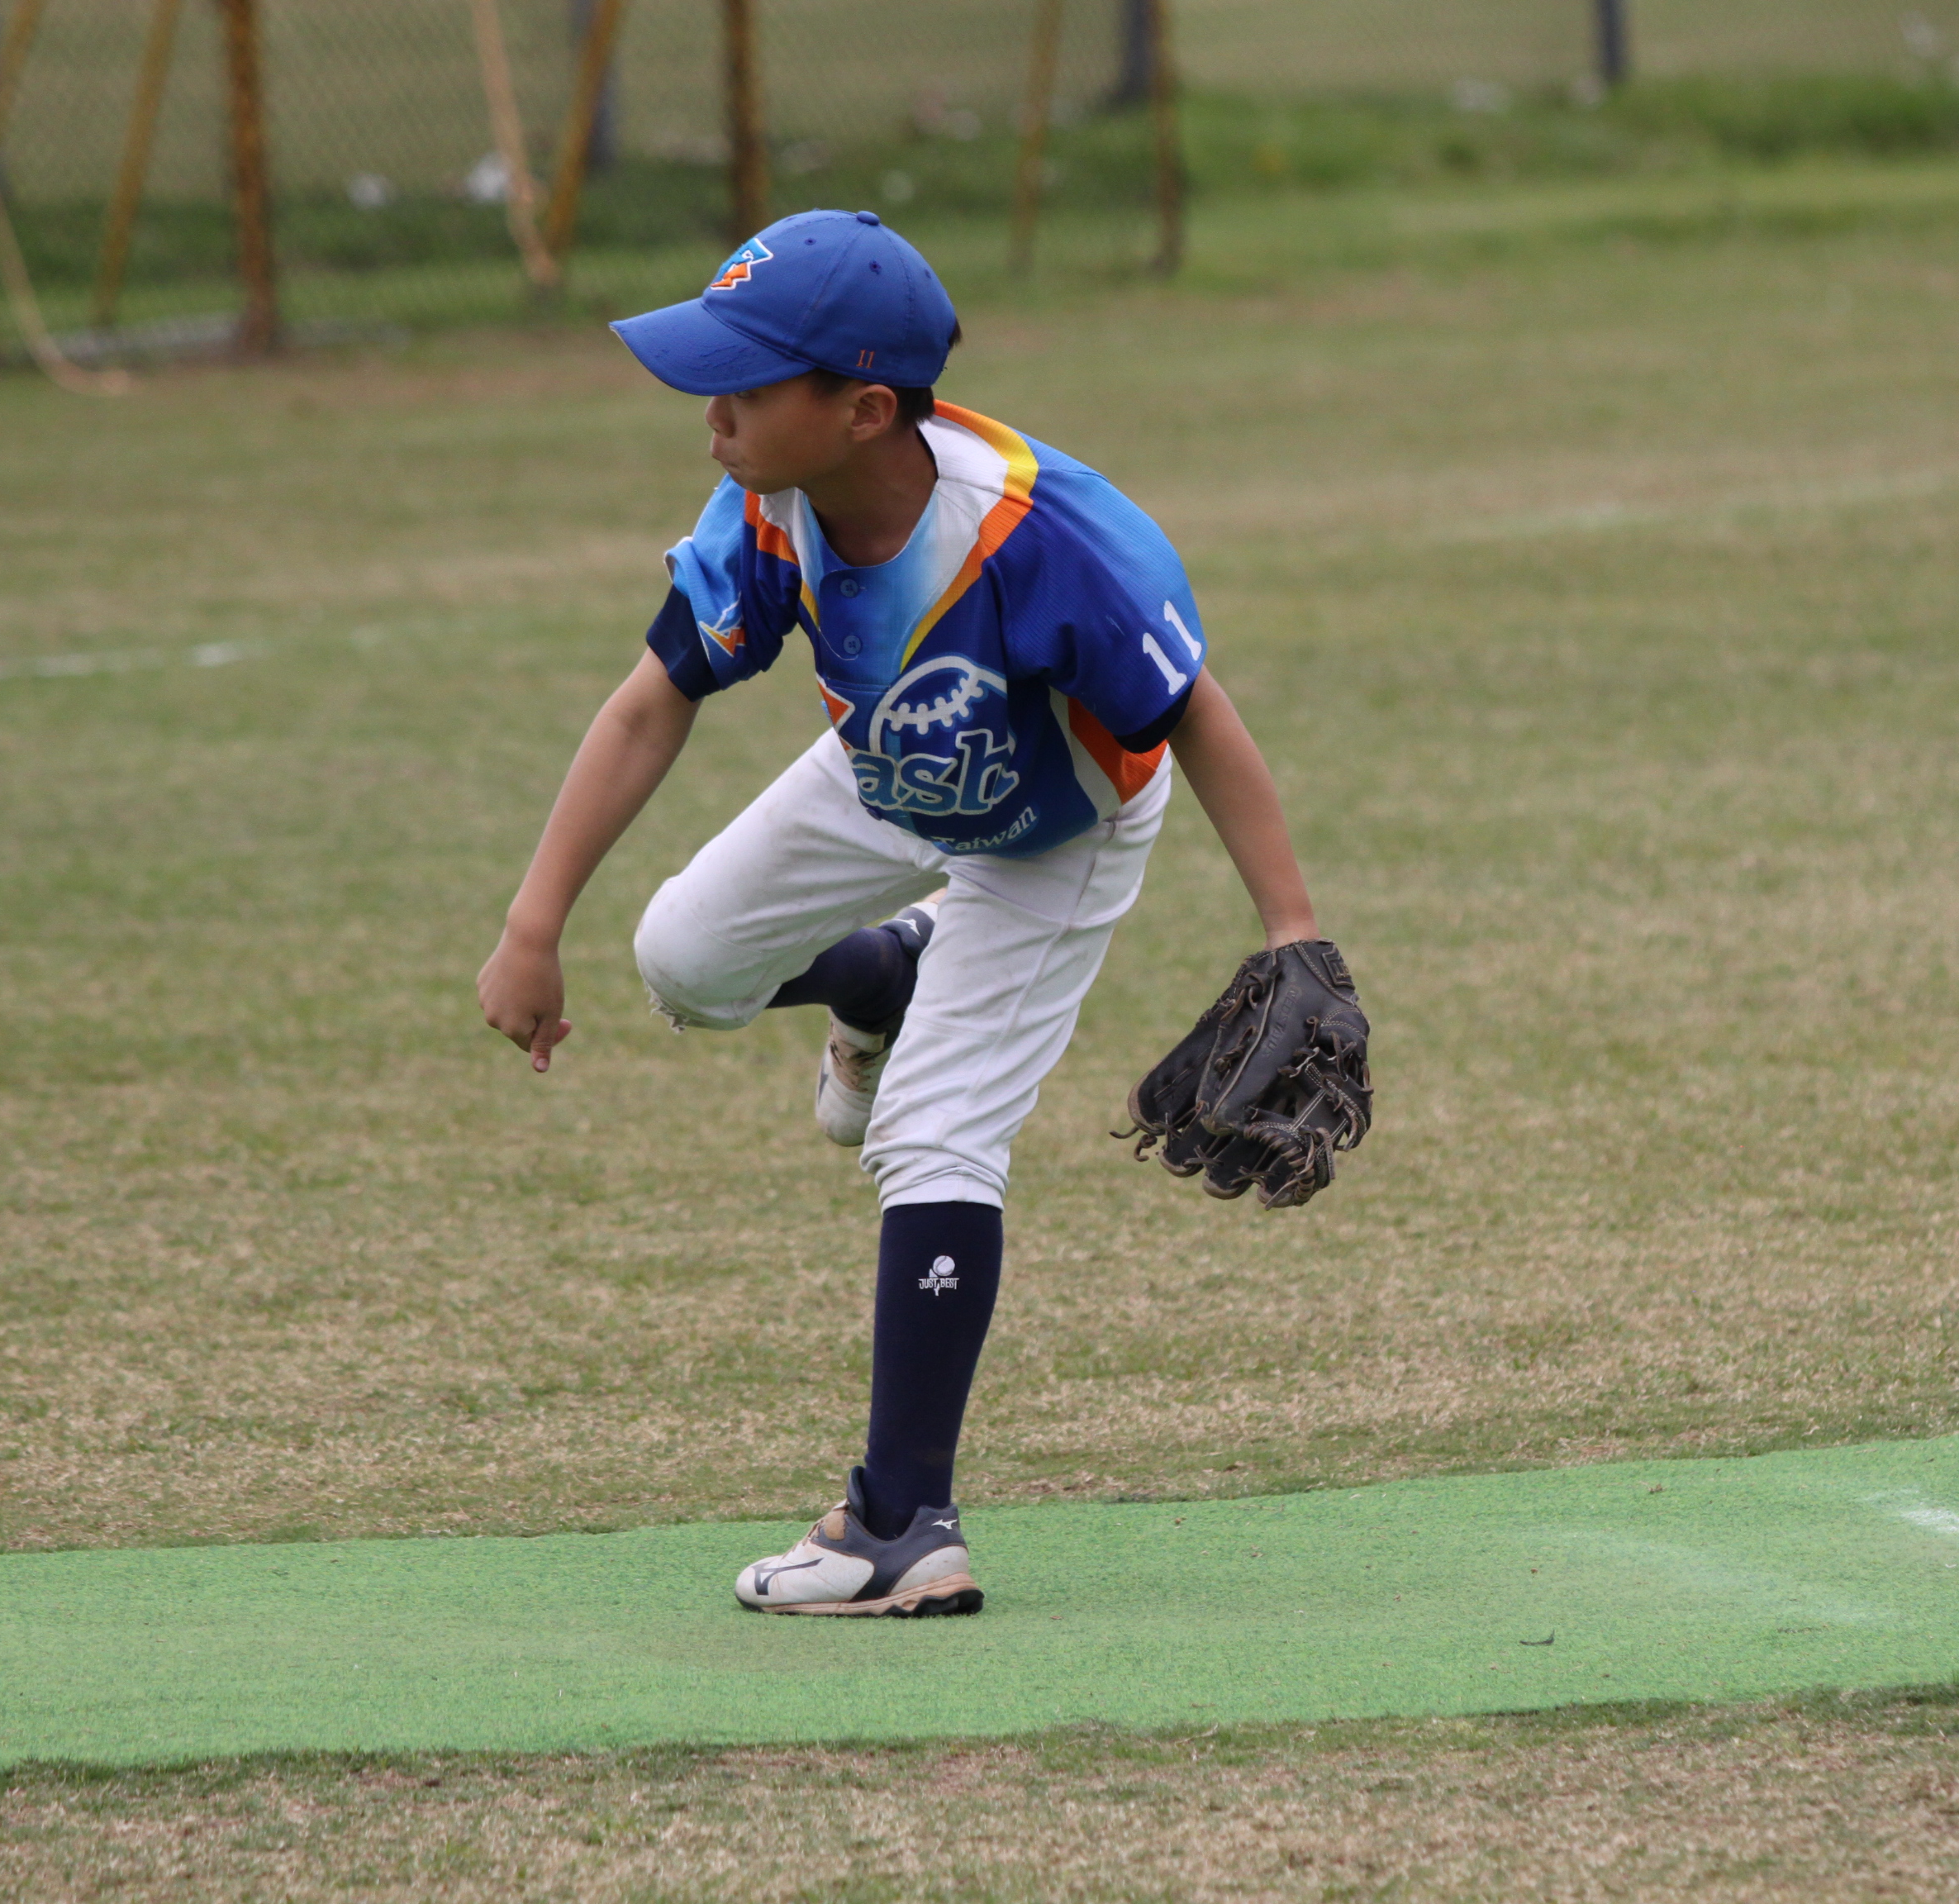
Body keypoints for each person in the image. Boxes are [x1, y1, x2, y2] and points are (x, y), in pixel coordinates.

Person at [476, 208, 1324, 1616]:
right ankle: (885, 979)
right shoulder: (770, 505)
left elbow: (1198, 717)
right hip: (889, 766)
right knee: (682, 959)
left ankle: (901, 1524)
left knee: (932, 1136)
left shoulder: (1044, 537)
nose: (712, 414)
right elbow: (649, 705)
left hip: (1056, 831)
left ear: (865, 410)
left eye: (744, 385)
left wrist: (1292, 930)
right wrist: (532, 922)